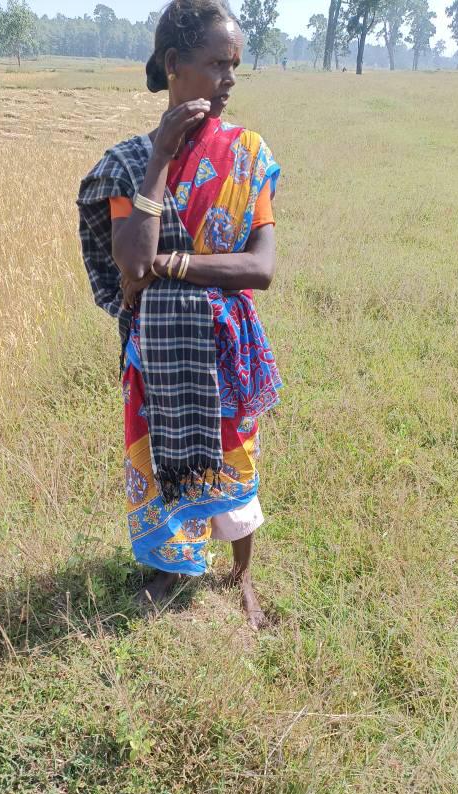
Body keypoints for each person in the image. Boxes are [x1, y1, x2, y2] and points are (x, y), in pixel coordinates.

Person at [77, 0, 282, 631]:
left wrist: (173, 265)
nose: (229, 80)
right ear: (174, 64)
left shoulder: (247, 155)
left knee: (234, 453)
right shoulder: (128, 163)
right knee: (159, 453)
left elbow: (260, 268)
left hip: (225, 345)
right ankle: (171, 567)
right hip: (158, 349)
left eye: (234, 66)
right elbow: (131, 262)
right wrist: (161, 156)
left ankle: (241, 574)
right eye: (217, 64)